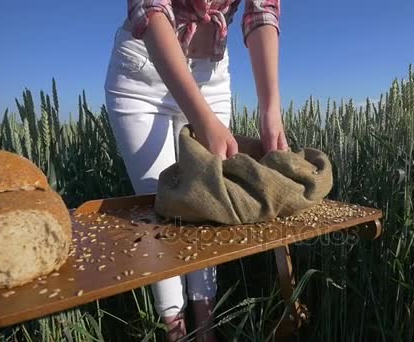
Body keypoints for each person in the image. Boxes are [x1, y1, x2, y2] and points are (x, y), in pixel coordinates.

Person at [103, 1, 288, 341]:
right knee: (156, 211)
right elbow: (149, 9)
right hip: (144, 70)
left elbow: (262, 14)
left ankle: (206, 327)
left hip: (211, 77)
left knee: (208, 204)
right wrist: (202, 120)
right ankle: (174, 329)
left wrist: (270, 109)